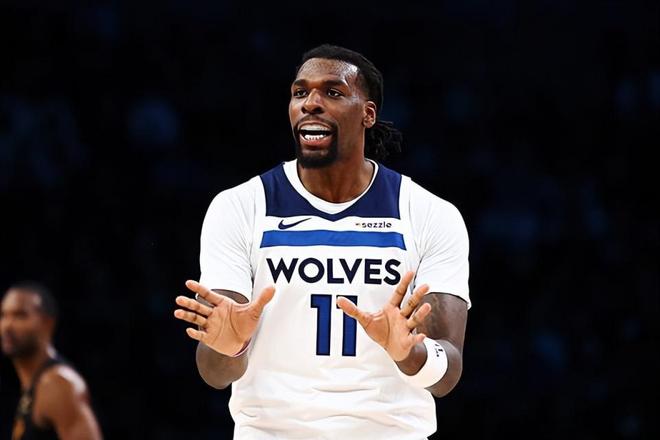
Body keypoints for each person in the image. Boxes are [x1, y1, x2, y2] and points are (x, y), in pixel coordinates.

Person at [174, 44, 470, 439]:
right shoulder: (240, 207)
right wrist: (232, 346)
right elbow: (215, 372)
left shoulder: (430, 214)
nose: (310, 103)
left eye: (332, 92)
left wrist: (410, 353)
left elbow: (447, 373)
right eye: (300, 92)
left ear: (368, 114)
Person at [0, 282, 102, 440]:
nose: (7, 325)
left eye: (20, 315)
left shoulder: (57, 383)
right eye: (3, 315)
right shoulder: (34, 384)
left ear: (47, 323)